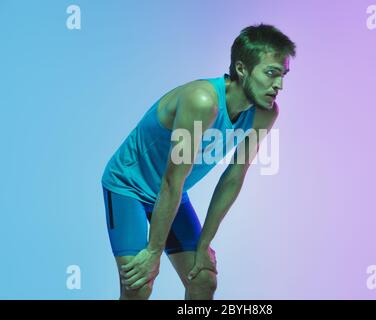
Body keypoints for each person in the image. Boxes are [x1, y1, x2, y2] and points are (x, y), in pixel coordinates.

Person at [101, 23, 296, 300]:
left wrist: (205, 243)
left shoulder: (265, 114)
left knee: (203, 279)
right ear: (242, 69)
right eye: (271, 73)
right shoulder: (202, 102)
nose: (279, 85)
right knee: (139, 285)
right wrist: (153, 253)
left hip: (172, 195)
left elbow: (233, 177)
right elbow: (172, 179)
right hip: (128, 188)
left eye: (283, 75)